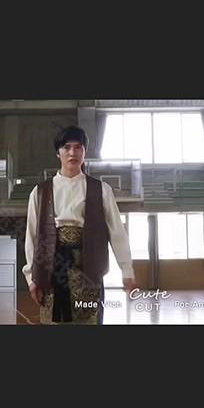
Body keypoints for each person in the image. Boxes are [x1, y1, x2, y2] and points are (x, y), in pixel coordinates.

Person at [23, 125, 135, 324]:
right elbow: (32, 237)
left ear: (85, 152)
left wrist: (127, 271)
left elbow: (117, 233)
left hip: (89, 271)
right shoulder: (39, 192)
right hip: (52, 273)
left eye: (78, 147)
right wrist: (32, 278)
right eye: (66, 147)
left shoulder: (102, 190)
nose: (72, 153)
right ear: (58, 152)